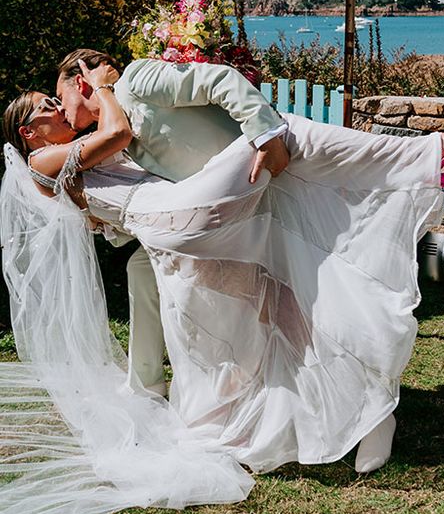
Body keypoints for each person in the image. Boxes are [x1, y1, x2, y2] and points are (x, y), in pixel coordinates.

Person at [0, 60, 444, 514]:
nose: (60, 109)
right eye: (49, 108)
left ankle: (360, 410)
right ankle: (427, 156)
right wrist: (102, 87)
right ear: (29, 131)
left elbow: (120, 177)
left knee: (274, 307)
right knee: (289, 134)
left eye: (59, 99)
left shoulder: (77, 151)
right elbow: (120, 132)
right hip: (185, 216)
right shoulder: (45, 161)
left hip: (179, 231)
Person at [55, 49, 291, 399]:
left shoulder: (135, 80)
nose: (61, 108)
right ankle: (146, 384)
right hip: (225, 213)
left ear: (80, 82)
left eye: (60, 98)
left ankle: (225, 378)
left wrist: (266, 136)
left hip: (266, 180)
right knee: (141, 265)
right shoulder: (115, 126)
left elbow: (220, 79)